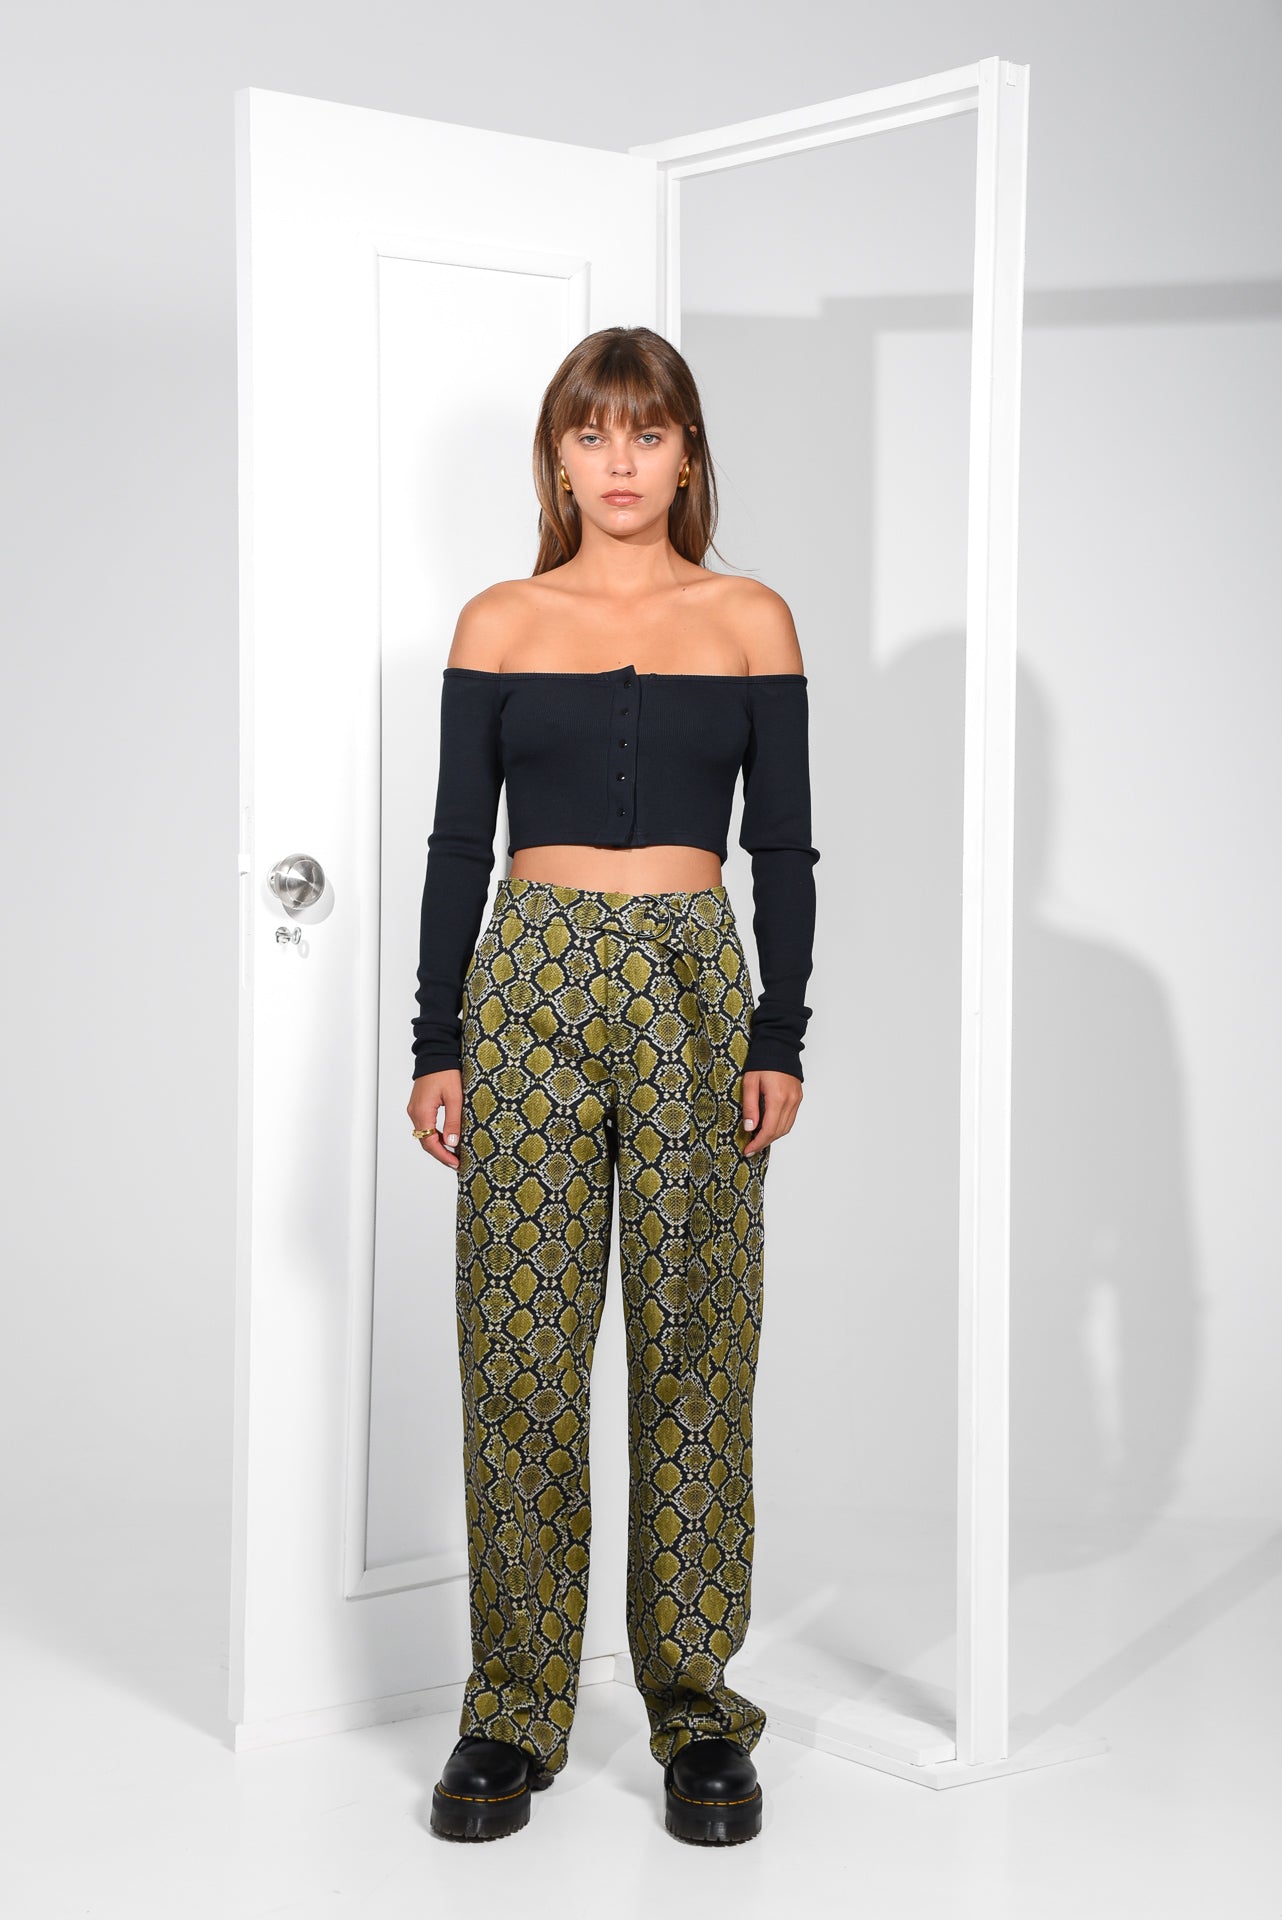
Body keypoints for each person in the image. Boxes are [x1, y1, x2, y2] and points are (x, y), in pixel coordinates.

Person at [408, 325, 819, 1846]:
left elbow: (783, 849)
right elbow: (459, 845)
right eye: (593, 434)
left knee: (695, 1340)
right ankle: (511, 1708)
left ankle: (696, 1709)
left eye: (648, 432)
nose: (621, 461)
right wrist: (436, 1041)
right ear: (558, 457)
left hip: (695, 984)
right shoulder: (501, 619)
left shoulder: (749, 618)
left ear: (688, 452)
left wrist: (778, 1035)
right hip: (527, 982)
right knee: (518, 1348)